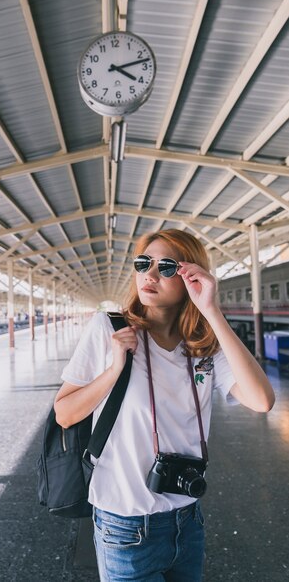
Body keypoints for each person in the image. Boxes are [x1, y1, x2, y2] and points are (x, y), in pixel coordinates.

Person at [54, 229, 275, 582]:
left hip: (187, 518)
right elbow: (64, 413)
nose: (150, 275)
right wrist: (114, 369)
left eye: (167, 267)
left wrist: (212, 312)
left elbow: (262, 401)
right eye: (144, 263)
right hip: (125, 523)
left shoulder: (204, 345)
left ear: (192, 276)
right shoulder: (108, 329)